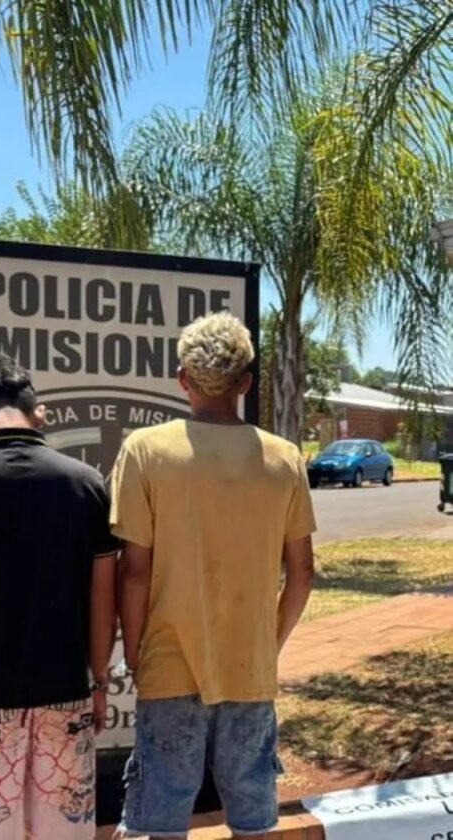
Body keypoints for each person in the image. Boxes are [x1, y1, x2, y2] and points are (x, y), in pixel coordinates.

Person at [111, 312, 316, 840]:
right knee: (253, 816)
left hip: (168, 661)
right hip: (250, 668)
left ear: (183, 379)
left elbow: (134, 571)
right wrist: (268, 643)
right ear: (245, 383)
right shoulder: (284, 458)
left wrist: (134, 649)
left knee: (159, 817)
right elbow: (302, 574)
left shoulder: (146, 450)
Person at [0, 350, 119, 840]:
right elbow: (103, 598)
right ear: (38, 412)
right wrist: (99, 681)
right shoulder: (86, 485)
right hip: (64, 695)